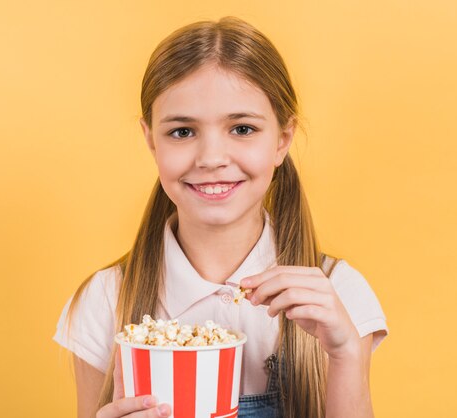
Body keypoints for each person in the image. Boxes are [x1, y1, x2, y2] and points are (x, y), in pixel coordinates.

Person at [53, 15, 388, 418]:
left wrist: (347, 351)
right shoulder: (107, 300)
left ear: (282, 140)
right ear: (150, 139)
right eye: (182, 132)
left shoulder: (337, 293)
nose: (212, 159)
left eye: (243, 129)